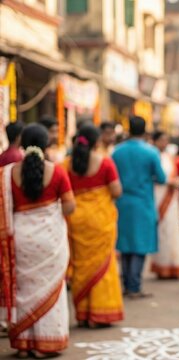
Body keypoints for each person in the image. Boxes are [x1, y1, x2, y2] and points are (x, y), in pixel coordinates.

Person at [0, 124, 75, 358]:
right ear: (47, 144)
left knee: (24, 289)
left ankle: (25, 343)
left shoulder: (7, 173)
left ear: (22, 143)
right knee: (50, 289)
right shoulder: (58, 171)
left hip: (20, 240)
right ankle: (46, 344)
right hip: (49, 241)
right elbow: (70, 207)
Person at [66, 124, 124, 327]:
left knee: (81, 266)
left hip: (76, 222)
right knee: (104, 266)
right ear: (96, 142)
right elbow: (116, 192)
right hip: (100, 222)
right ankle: (100, 313)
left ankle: (83, 313)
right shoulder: (105, 163)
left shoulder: (66, 164)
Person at [112, 116, 166, 299]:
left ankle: (127, 284)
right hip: (143, 202)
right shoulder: (151, 152)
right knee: (140, 244)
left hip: (122, 202)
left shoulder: (116, 151)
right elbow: (161, 178)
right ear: (144, 131)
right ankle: (134, 286)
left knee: (126, 244)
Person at [150, 131, 179, 279]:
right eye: (162, 140)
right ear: (155, 141)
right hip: (156, 196)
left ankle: (173, 265)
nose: (165, 143)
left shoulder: (168, 157)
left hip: (170, 198)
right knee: (160, 231)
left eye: (166, 140)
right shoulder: (152, 155)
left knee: (172, 229)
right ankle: (161, 266)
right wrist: (170, 182)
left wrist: (176, 181)